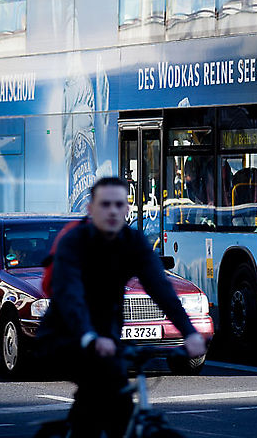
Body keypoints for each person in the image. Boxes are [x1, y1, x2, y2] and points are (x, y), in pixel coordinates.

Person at [36, 176, 207, 438]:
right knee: (102, 395)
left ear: (127, 209)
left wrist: (189, 332)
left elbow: (160, 288)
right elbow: (71, 296)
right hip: (64, 335)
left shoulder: (132, 242)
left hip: (108, 336)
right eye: (105, 205)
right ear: (91, 209)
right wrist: (89, 337)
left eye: (119, 204)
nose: (113, 211)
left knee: (118, 407)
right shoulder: (75, 242)